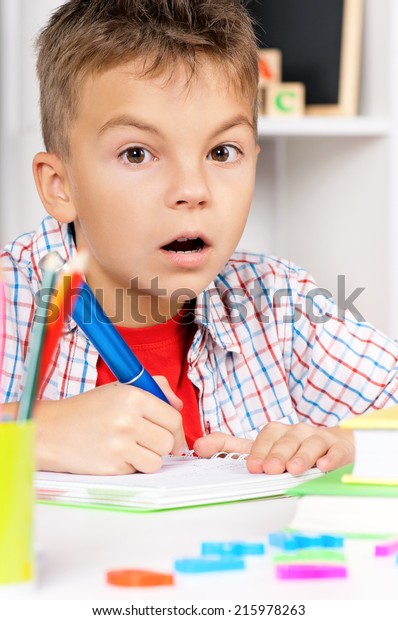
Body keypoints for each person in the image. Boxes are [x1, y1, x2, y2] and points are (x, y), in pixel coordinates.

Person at [1, 0, 397, 476]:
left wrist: (350, 445)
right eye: (137, 154)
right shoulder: (13, 298)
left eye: (222, 151)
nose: (193, 191)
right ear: (59, 186)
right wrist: (32, 433)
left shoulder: (279, 305)